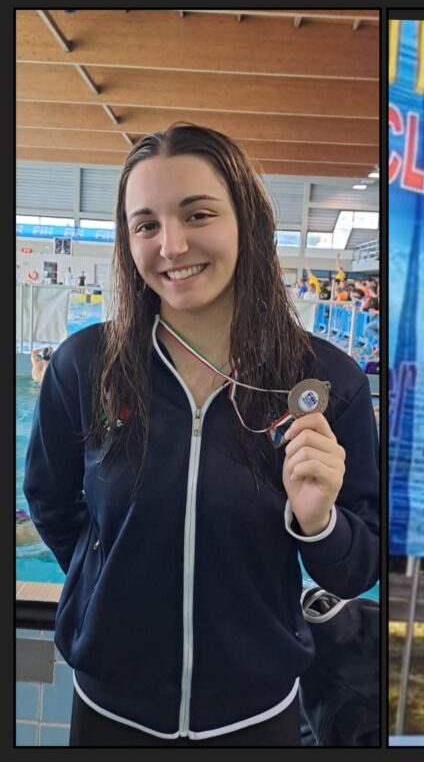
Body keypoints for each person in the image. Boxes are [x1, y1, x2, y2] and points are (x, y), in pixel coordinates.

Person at [24, 123, 380, 747]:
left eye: (198, 214)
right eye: (146, 225)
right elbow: (51, 502)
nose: (172, 244)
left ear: (247, 222)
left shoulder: (327, 381)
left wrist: (320, 522)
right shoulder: (85, 366)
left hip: (256, 714)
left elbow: (361, 566)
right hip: (111, 709)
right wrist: (102, 582)